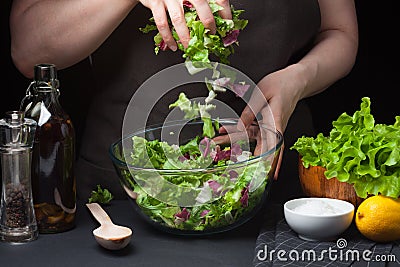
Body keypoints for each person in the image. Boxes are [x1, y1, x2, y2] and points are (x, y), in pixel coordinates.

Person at [9, 0, 358, 204]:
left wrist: (299, 77)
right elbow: (29, 49)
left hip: (273, 195)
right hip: (124, 198)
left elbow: (340, 33)